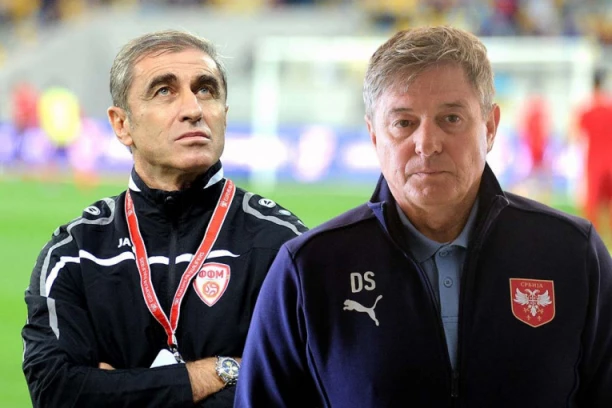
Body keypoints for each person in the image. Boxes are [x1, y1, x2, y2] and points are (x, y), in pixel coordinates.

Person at [235, 26, 612, 407]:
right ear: (374, 136)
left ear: (490, 127)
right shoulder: (307, 269)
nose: (427, 144)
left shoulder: (574, 253)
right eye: (404, 123)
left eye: (451, 118)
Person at [21, 29, 307, 407]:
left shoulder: (283, 247)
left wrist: (117, 390)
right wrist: (218, 371)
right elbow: (56, 391)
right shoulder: (75, 253)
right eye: (164, 91)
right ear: (122, 125)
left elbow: (304, 389)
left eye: (206, 90)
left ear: (224, 114)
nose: (193, 109)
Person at [577, 69, 612, 242]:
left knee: (592, 206)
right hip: (610, 159)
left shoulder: (586, 109)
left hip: (594, 162)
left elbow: (577, 135)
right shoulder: (610, 108)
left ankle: (594, 243)